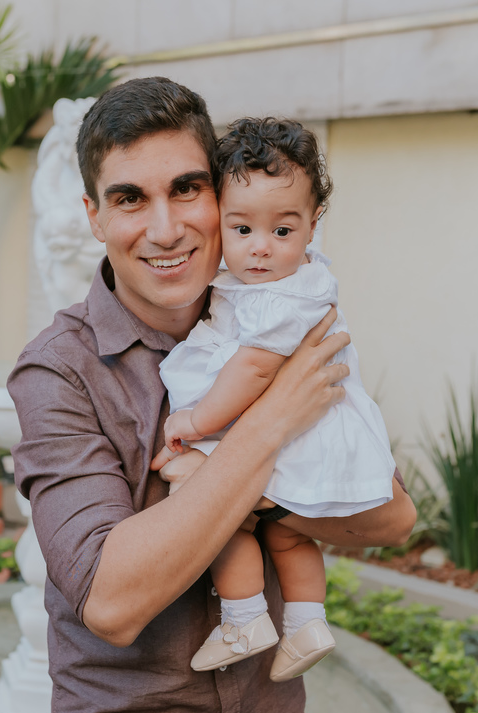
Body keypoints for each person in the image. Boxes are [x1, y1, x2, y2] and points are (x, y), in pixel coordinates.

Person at [8, 77, 417, 713]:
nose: (164, 228)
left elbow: (390, 518)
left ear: (221, 198)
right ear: (94, 217)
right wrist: (265, 429)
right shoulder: (57, 371)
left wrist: (234, 484)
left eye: (187, 189)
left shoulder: (275, 314)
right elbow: (112, 600)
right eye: (130, 198)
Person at [155, 117, 397, 681]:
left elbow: (255, 368)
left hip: (292, 436)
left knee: (224, 514)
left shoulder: (284, 297)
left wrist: (194, 419)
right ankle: (307, 623)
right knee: (287, 533)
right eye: (242, 231)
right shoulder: (297, 281)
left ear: (313, 225)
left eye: (281, 232)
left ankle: (244, 618)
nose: (260, 249)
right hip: (307, 432)